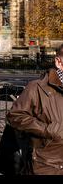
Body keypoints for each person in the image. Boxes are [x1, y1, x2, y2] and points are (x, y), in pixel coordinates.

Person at [6, 44, 63, 175]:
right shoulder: (36, 88)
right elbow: (15, 116)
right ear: (59, 62)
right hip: (47, 165)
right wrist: (48, 130)